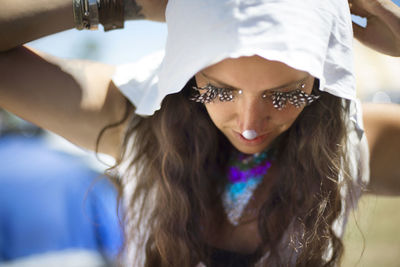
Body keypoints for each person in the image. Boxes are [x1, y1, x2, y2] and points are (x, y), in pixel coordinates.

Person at [0, 0, 399, 266]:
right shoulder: (135, 118)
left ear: (321, 79)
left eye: (285, 94)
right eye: (220, 90)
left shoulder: (349, 143)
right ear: (187, 72)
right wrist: (138, 4)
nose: (248, 124)